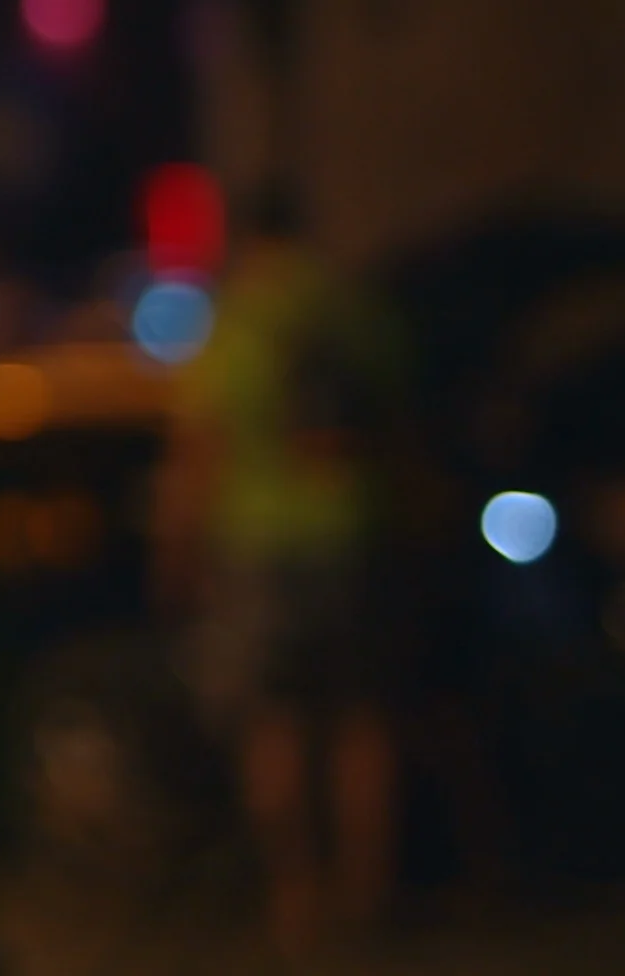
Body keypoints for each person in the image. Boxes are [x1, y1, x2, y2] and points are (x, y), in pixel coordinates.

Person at [156, 231, 410, 956]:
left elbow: (200, 452)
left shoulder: (235, 325)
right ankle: (369, 893)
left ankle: (295, 898)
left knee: (277, 725)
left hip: (258, 547)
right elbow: (399, 432)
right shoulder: (357, 316)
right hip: (354, 536)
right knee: (364, 719)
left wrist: (178, 554)